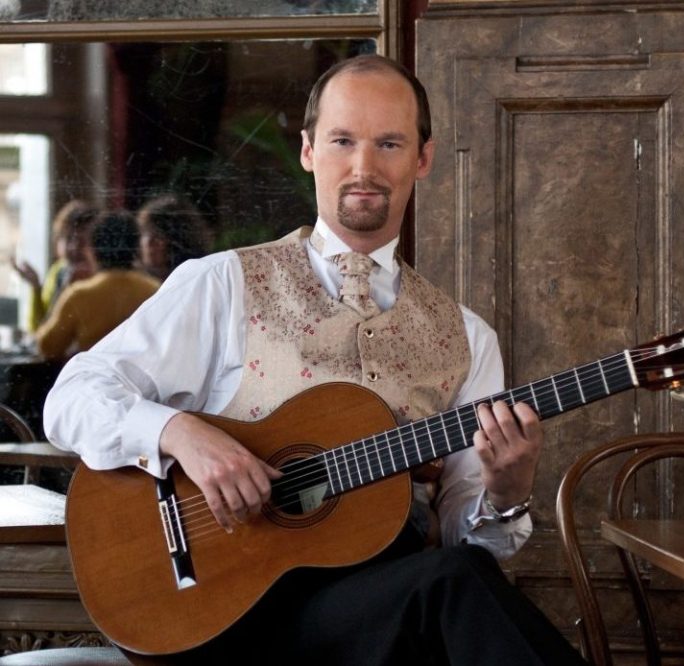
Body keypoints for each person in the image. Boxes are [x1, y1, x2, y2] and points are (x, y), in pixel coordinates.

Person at [44, 55, 585, 664]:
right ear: (308, 151)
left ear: (422, 159)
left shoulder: (467, 337)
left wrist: (505, 492)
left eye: (389, 143)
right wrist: (180, 432)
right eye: (342, 140)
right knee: (455, 585)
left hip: (374, 619)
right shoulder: (223, 283)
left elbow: (469, 537)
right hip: (220, 612)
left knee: (457, 577)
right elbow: (72, 396)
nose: (364, 167)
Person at [36, 209, 160, 360]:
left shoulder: (79, 294)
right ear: (137, 248)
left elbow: (48, 347)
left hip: (93, 380)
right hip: (142, 382)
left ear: (92, 249)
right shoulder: (155, 291)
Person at [12, 199, 98, 331]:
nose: (74, 247)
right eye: (68, 238)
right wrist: (35, 286)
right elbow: (40, 328)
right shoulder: (58, 272)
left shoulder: (99, 277)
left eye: (82, 241)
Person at [136, 193, 212, 281]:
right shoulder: (136, 284)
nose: (149, 242)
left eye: (158, 235)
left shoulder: (200, 279)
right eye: (145, 232)